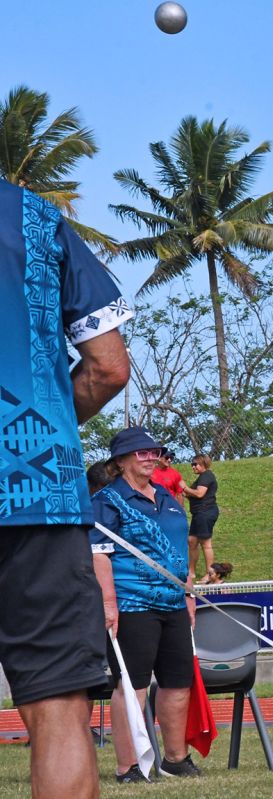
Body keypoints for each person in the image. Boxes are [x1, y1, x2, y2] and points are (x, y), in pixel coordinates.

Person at [0, 179, 131, 799]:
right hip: (38, 496)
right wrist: (40, 431)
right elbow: (108, 365)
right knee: (57, 713)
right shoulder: (34, 217)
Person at [89, 427, 200, 782]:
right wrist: (109, 603)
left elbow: (181, 551)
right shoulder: (106, 502)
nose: (151, 457)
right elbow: (99, 555)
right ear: (120, 461)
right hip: (131, 605)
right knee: (132, 684)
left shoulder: (168, 498)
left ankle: (175, 759)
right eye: (141, 453)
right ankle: (129, 766)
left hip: (172, 604)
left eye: (154, 451)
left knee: (178, 682)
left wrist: (187, 594)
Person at [181, 454, 219, 583]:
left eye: (195, 464)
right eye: (192, 464)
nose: (193, 466)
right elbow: (193, 494)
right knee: (192, 541)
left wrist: (185, 488)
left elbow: (200, 493)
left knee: (206, 544)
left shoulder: (206, 476)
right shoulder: (201, 478)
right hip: (198, 514)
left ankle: (211, 574)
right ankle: (191, 572)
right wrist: (184, 492)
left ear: (203, 464)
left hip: (206, 513)